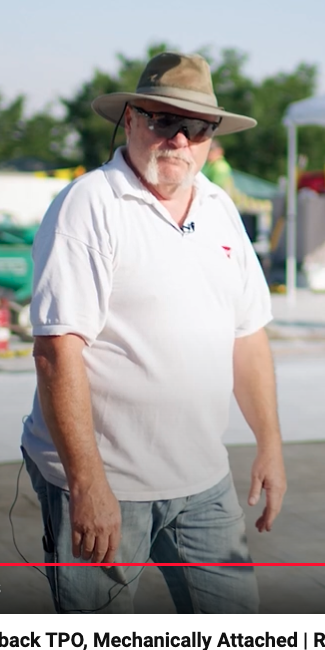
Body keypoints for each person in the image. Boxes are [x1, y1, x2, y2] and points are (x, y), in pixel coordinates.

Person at [20, 51, 286, 613]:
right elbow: (56, 351)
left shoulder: (220, 210)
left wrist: (270, 444)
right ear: (133, 119)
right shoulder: (89, 205)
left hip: (203, 482)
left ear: (212, 137)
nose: (180, 140)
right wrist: (88, 484)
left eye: (196, 127)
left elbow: (248, 335)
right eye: (164, 121)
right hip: (108, 482)